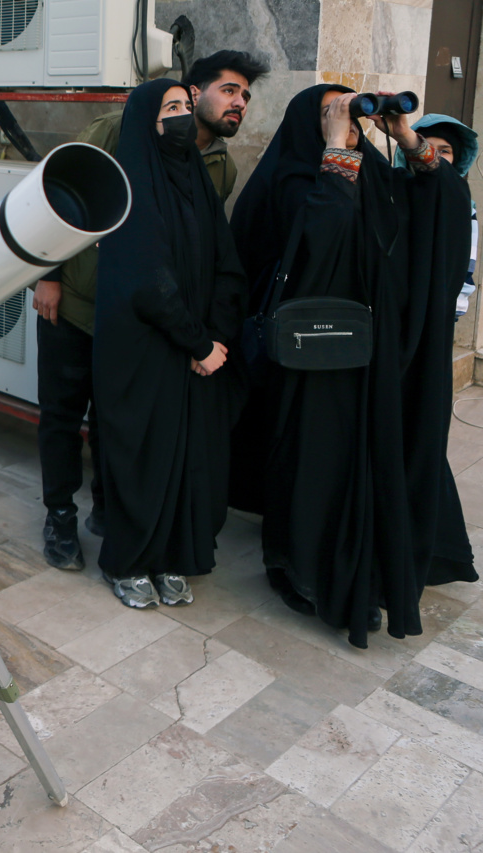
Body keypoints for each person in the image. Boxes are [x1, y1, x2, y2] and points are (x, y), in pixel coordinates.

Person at [229, 86, 477, 647]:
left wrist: (406, 137)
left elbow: (441, 203)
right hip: (321, 360)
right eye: (330, 111)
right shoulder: (293, 179)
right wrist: (336, 148)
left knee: (373, 459)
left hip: (377, 356)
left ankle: (374, 564)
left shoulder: (374, 174)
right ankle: (306, 572)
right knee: (319, 463)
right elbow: (321, 239)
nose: (346, 118)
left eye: (349, 109)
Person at [33, 50, 267, 571]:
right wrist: (48, 275)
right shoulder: (121, 128)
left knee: (118, 419)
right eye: (229, 90)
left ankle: (111, 509)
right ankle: (59, 515)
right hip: (77, 305)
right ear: (196, 91)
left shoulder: (217, 166)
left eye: (245, 96)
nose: (238, 103)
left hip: (140, 324)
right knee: (63, 416)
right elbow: (59, 190)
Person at [92, 79, 249, 609]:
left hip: (195, 350)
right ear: (145, 121)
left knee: (186, 457)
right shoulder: (132, 183)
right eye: (172, 108)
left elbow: (226, 261)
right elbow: (145, 279)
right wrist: (198, 342)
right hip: (142, 350)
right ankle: (129, 561)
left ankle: (171, 556)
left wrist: (215, 338)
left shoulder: (197, 181)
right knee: (143, 454)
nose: (184, 116)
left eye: (186, 106)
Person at [396, 115, 477, 317]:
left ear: (456, 157)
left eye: (444, 151)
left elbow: (466, 261)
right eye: (427, 147)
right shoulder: (391, 195)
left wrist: (455, 306)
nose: (434, 155)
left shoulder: (463, 206)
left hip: (438, 308)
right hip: (393, 306)